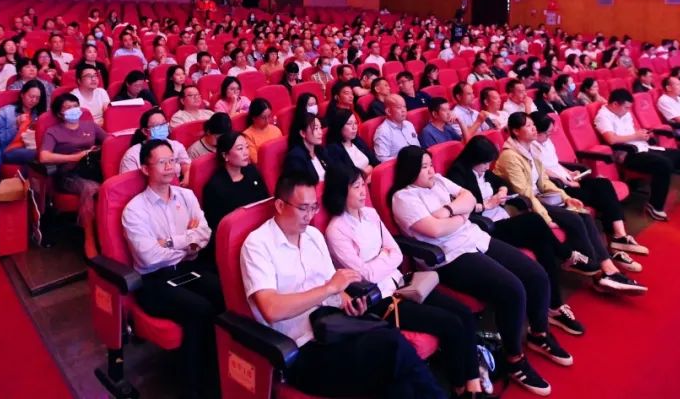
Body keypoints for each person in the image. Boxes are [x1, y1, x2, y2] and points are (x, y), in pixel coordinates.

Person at [241, 173, 446, 399]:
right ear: (280, 205)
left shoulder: (313, 236)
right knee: (392, 349)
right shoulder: (257, 245)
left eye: (314, 207)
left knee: (396, 370)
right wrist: (328, 289)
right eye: (303, 208)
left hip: (335, 327)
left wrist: (348, 303)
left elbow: (336, 289)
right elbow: (271, 309)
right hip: (302, 349)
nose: (310, 216)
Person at [389, 146, 565, 395]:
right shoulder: (403, 198)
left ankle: (539, 333)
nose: (431, 170)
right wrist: (461, 216)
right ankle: (514, 360)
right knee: (512, 289)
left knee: (535, 274)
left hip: (474, 237)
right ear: (410, 171)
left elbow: (469, 197)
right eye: (424, 167)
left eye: (431, 164)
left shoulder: (438, 181)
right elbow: (435, 231)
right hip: (448, 257)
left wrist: (449, 211)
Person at [323, 165, 491, 398]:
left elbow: (397, 253)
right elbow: (364, 275)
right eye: (356, 187)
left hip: (403, 283)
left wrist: (381, 258)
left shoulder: (370, 214)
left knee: (463, 313)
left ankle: (472, 383)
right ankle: (460, 388)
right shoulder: (336, 230)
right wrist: (385, 256)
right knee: (450, 323)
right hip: (380, 298)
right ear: (341, 191)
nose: (363, 191)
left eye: (363, 185)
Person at [446, 137, 587, 336]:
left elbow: (500, 181)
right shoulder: (457, 176)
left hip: (502, 218)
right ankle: (565, 255)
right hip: (487, 227)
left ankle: (554, 305)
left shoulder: (483, 171)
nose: (487, 167)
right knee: (534, 221)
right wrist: (488, 204)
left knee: (543, 244)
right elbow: (465, 210)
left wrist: (502, 190)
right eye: (485, 163)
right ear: (473, 159)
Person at [497, 113, 646, 293]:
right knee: (574, 219)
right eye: (528, 126)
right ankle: (600, 272)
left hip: (541, 198)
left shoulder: (532, 149)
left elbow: (543, 181)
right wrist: (546, 218)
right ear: (515, 131)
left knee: (582, 213)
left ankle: (608, 268)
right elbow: (525, 193)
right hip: (525, 206)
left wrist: (565, 197)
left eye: (533, 125)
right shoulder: (509, 156)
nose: (534, 128)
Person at [122, 139, 224, 399]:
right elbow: (149, 257)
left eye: (173, 160)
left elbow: (204, 233)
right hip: (154, 280)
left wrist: (170, 243)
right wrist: (187, 243)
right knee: (200, 309)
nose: (171, 167)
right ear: (145, 169)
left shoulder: (186, 195)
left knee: (224, 294)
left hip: (188, 266)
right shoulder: (135, 209)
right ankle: (194, 386)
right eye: (162, 162)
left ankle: (220, 373)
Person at [594, 89, 680, 221]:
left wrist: (643, 134)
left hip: (645, 148)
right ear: (615, 104)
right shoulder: (603, 116)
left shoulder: (624, 113)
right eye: (626, 107)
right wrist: (636, 136)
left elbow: (630, 131)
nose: (628, 111)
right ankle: (655, 205)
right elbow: (611, 139)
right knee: (663, 164)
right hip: (628, 154)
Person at [528, 113, 648, 257]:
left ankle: (620, 234)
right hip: (558, 188)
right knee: (601, 195)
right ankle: (617, 239)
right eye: (547, 133)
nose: (550, 136)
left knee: (603, 184)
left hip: (568, 180)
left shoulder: (546, 141)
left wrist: (569, 172)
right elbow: (542, 170)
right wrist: (565, 180)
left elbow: (554, 163)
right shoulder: (530, 146)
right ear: (536, 132)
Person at [39, 93, 106, 246]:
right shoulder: (53, 131)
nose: (73, 110)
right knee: (91, 188)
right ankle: (90, 236)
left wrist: (97, 150)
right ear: (59, 114)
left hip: (91, 168)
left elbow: (109, 141)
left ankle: (107, 227)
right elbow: (44, 156)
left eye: (75, 106)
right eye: (68, 108)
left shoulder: (90, 125)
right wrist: (74, 157)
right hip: (68, 173)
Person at [201, 131, 269, 239]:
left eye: (247, 147)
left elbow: (266, 201)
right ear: (225, 155)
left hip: (261, 229)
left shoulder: (252, 171)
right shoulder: (215, 187)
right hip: (236, 237)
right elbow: (218, 227)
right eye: (240, 149)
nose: (246, 153)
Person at [0, 80, 46, 184]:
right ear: (22, 95)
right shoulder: (5, 112)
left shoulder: (38, 114)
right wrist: (15, 126)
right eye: (31, 96)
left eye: (37, 98)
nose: (34, 101)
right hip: (8, 149)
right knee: (41, 155)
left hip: (31, 147)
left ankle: (26, 185)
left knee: (43, 157)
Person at [119, 108, 190, 180]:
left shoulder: (176, 145)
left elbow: (186, 165)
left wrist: (187, 176)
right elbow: (128, 183)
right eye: (156, 126)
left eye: (163, 124)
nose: (161, 127)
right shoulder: (132, 155)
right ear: (145, 131)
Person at [283, 112, 339, 182]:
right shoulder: (295, 158)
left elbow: (334, 170)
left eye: (320, 128)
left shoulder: (320, 150)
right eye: (316, 128)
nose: (320, 132)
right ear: (303, 133)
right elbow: (303, 185)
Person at [325, 107, 379, 177]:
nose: (354, 127)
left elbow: (375, 161)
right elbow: (348, 176)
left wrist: (370, 171)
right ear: (339, 126)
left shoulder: (358, 140)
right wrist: (366, 172)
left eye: (355, 123)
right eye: (349, 124)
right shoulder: (333, 149)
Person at [373, 95, 420, 163]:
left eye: (404, 107)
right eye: (399, 107)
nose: (403, 110)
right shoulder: (383, 132)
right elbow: (381, 158)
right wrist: (402, 161)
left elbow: (418, 146)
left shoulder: (409, 124)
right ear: (388, 111)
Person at [241, 98, 282, 163]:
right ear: (254, 118)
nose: (267, 121)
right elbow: (256, 161)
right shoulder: (247, 136)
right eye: (263, 118)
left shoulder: (276, 130)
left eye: (269, 116)